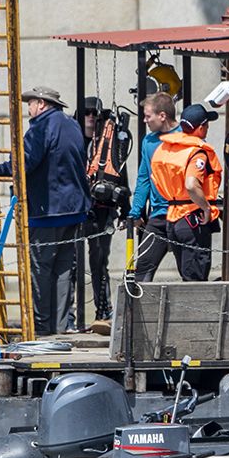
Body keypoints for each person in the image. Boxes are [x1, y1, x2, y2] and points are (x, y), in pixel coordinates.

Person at [0, 85, 90, 336]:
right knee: (64, 271)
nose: (28, 107)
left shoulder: (40, 128)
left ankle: (42, 328)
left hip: (47, 211)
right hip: (73, 210)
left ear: (41, 104)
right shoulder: (71, 125)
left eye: (30, 102)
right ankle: (61, 328)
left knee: (41, 270)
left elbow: (23, 163)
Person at [149, 103, 221, 281]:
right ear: (201, 127)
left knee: (186, 277)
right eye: (206, 125)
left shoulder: (164, 149)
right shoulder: (197, 153)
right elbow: (191, 184)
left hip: (172, 219)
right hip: (192, 219)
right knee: (195, 281)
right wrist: (205, 208)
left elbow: (154, 178)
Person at [81, 96, 131, 333]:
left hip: (103, 211)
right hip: (78, 210)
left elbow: (123, 176)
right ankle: (71, 316)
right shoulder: (76, 141)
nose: (91, 117)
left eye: (95, 114)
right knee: (72, 264)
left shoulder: (111, 145)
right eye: (87, 113)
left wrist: (126, 210)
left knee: (99, 260)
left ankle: (103, 310)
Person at [128, 93, 176, 282]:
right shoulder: (148, 141)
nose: (145, 120)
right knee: (140, 272)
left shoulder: (185, 137)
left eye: (148, 116)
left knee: (192, 276)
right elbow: (143, 179)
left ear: (162, 116)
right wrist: (136, 211)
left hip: (182, 215)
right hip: (158, 216)